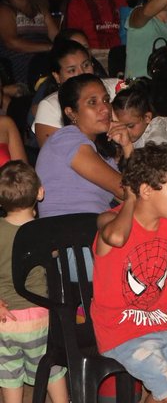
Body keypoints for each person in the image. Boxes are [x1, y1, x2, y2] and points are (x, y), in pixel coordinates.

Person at [92, 146, 167, 403]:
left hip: (162, 322)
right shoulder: (110, 221)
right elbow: (115, 237)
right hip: (120, 330)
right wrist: (130, 198)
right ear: (145, 191)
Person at [0, 162, 68, 403]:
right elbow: (51, 255)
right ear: (40, 192)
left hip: (5, 319)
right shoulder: (43, 231)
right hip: (40, 316)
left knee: (9, 374)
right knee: (50, 367)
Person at [35, 74, 133, 216]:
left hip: (93, 227)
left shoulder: (101, 155)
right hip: (66, 229)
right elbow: (124, 190)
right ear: (71, 113)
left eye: (106, 100)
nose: (105, 108)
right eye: (92, 102)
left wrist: (127, 145)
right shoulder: (66, 139)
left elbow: (132, 195)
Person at [32, 38, 121, 146]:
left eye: (86, 65)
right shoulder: (51, 106)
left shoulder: (116, 86)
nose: (82, 73)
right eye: (72, 70)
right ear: (57, 76)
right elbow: (56, 155)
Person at [0, 0, 55, 86]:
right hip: (21, 62)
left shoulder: (41, 9)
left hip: (45, 57)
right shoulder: (4, 10)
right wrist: (49, 48)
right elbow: (12, 42)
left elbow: (56, 37)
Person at [110, 80, 167, 149]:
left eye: (130, 126)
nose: (125, 131)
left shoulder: (158, 135)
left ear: (147, 117)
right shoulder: (134, 133)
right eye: (120, 126)